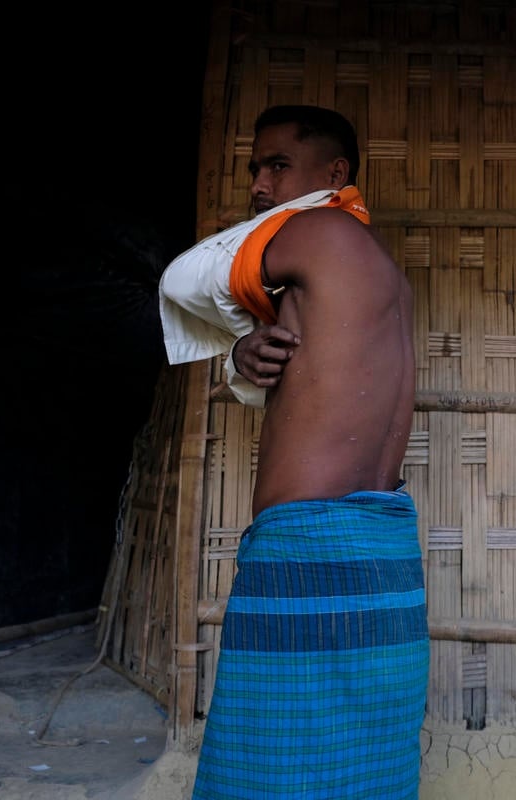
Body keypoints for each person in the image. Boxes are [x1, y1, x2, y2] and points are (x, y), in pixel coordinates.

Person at [159, 105, 427, 799]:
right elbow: (297, 384)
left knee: (267, 765)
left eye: (278, 165)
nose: (260, 184)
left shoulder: (316, 229)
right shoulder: (382, 274)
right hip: (383, 551)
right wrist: (243, 351)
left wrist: (232, 338)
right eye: (256, 168)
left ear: (334, 174)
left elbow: (183, 278)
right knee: (362, 762)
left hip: (308, 547)